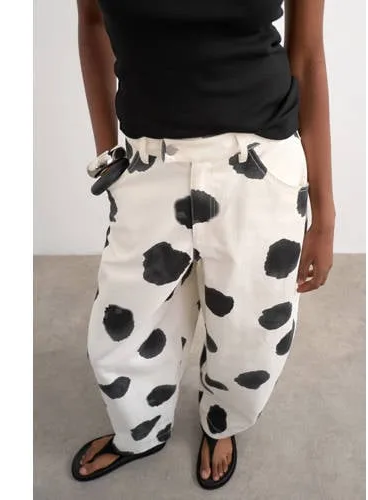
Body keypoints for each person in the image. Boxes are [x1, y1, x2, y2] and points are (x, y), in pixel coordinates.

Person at [71, 0, 335, 489]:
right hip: (149, 164)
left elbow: (307, 54)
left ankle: (222, 422)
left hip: (260, 167)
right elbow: (91, 21)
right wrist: (109, 155)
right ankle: (141, 431)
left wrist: (326, 214)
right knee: (120, 334)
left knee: (251, 336)